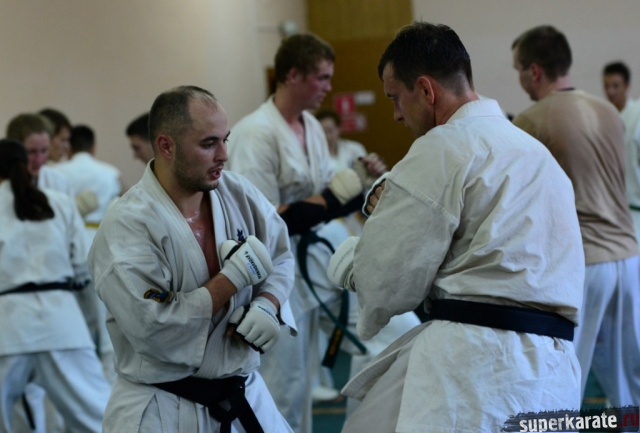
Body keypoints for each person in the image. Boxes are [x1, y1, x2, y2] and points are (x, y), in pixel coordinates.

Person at [327, 22, 584, 432]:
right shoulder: (536, 154)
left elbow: (389, 283)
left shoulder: (442, 146)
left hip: (475, 363)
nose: (396, 114)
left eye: (395, 97)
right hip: (553, 366)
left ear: (425, 90)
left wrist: (356, 264)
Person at [88, 85, 295, 432]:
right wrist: (233, 278)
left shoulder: (238, 192)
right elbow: (155, 328)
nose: (224, 155)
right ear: (166, 146)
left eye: (225, 140)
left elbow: (280, 256)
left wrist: (268, 303)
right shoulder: (127, 225)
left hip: (245, 392)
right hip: (162, 407)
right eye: (209, 144)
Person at [227, 33, 386, 433]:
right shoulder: (256, 133)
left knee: (305, 380)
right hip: (271, 270)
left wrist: (362, 185)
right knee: (282, 384)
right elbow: (263, 222)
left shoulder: (311, 126)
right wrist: (337, 195)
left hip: (311, 262)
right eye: (322, 77)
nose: (328, 87)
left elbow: (327, 198)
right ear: (293, 75)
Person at [512, 25, 640, 406]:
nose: (519, 78)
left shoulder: (531, 120)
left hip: (584, 264)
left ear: (534, 71)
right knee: (629, 376)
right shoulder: (610, 112)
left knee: (565, 373)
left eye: (518, 70)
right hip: (629, 256)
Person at [0, 139, 109, 433]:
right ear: (26, 165)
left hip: (8, 327)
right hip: (62, 321)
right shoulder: (59, 202)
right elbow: (81, 267)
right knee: (100, 417)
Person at [603, 62, 640, 245]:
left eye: (616, 85)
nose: (611, 91)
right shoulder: (603, 118)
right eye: (607, 86)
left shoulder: (637, 114)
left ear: (626, 85)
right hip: (614, 209)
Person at [6, 113, 71, 195]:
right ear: (14, 149)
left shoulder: (59, 182)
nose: (38, 159)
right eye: (31, 152)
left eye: (44, 151)